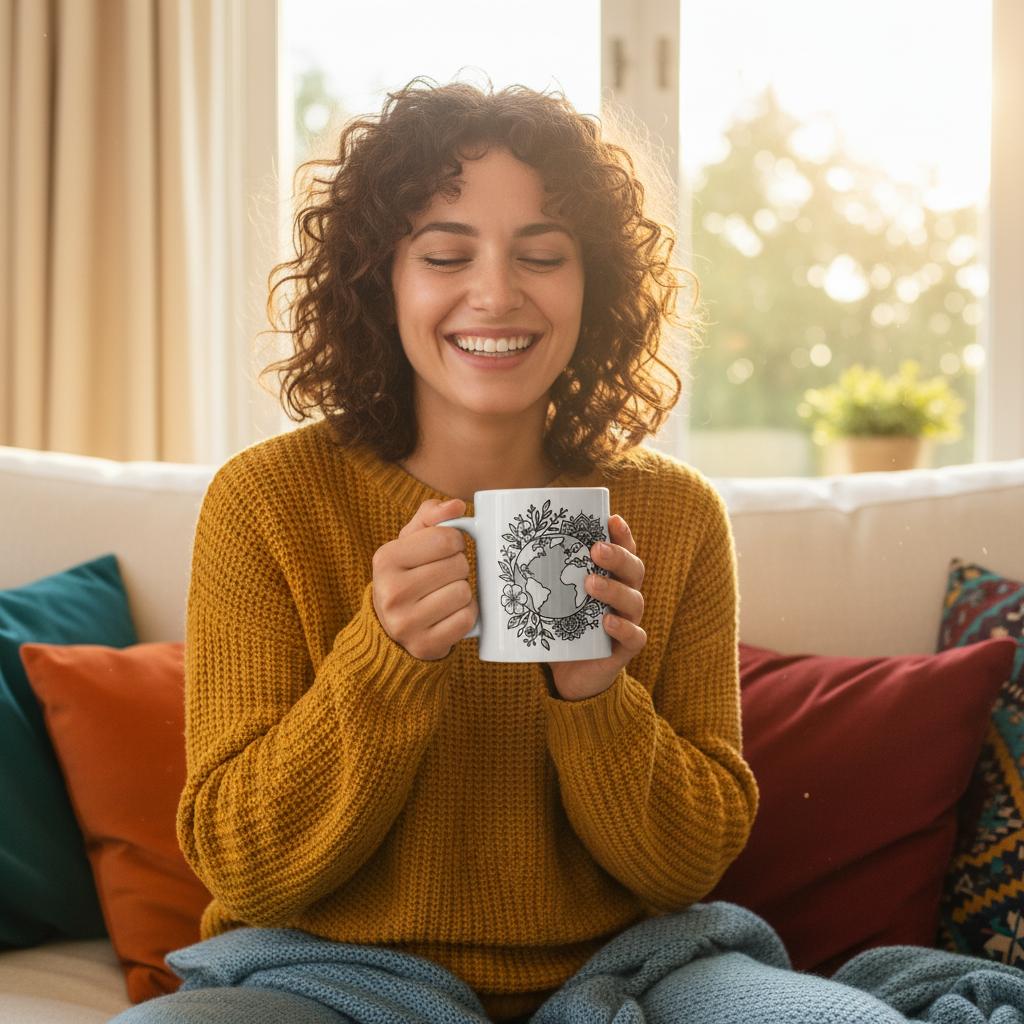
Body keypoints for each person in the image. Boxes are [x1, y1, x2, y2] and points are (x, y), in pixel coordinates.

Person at [109, 76, 761, 1022]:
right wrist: (382, 662)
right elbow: (244, 867)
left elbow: (688, 868)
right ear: (380, 281)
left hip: (636, 967)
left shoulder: (677, 514)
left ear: (595, 284)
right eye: (446, 255)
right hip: (324, 974)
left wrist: (597, 696)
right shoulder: (268, 503)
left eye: (543, 255)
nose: (495, 293)